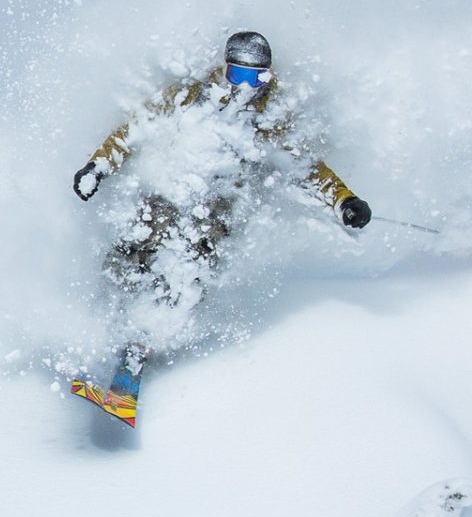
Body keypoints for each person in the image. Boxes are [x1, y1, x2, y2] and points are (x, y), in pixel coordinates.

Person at [68, 31, 369, 412]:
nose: (247, 88)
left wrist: (344, 200)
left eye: (257, 79)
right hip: (166, 194)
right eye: (238, 76)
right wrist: (98, 167)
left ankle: (140, 352)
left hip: (212, 211)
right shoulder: (188, 96)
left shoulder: (270, 120)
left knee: (187, 269)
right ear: (223, 69)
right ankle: (104, 330)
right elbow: (134, 129)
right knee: (132, 255)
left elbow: (306, 168)